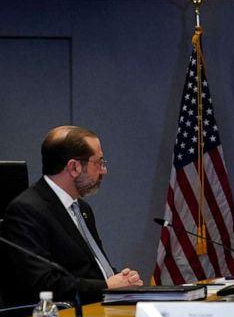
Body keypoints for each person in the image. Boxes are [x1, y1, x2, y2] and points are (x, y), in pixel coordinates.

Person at [1, 125, 142, 305]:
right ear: (74, 167)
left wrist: (122, 279)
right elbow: (42, 283)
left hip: (100, 307)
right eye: (98, 162)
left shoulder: (82, 208)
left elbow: (89, 269)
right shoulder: (27, 210)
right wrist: (106, 286)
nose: (103, 170)